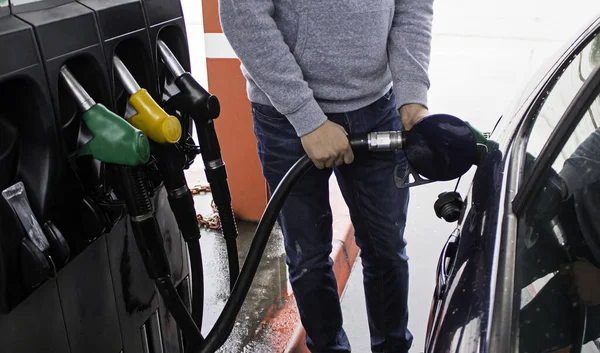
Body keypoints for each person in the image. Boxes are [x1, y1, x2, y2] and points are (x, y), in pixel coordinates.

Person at [219, 1, 434, 352]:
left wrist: (412, 95)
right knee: (307, 257)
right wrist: (307, 117)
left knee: (387, 250)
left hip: (376, 107)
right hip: (286, 119)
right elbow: (244, 16)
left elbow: (412, 6)